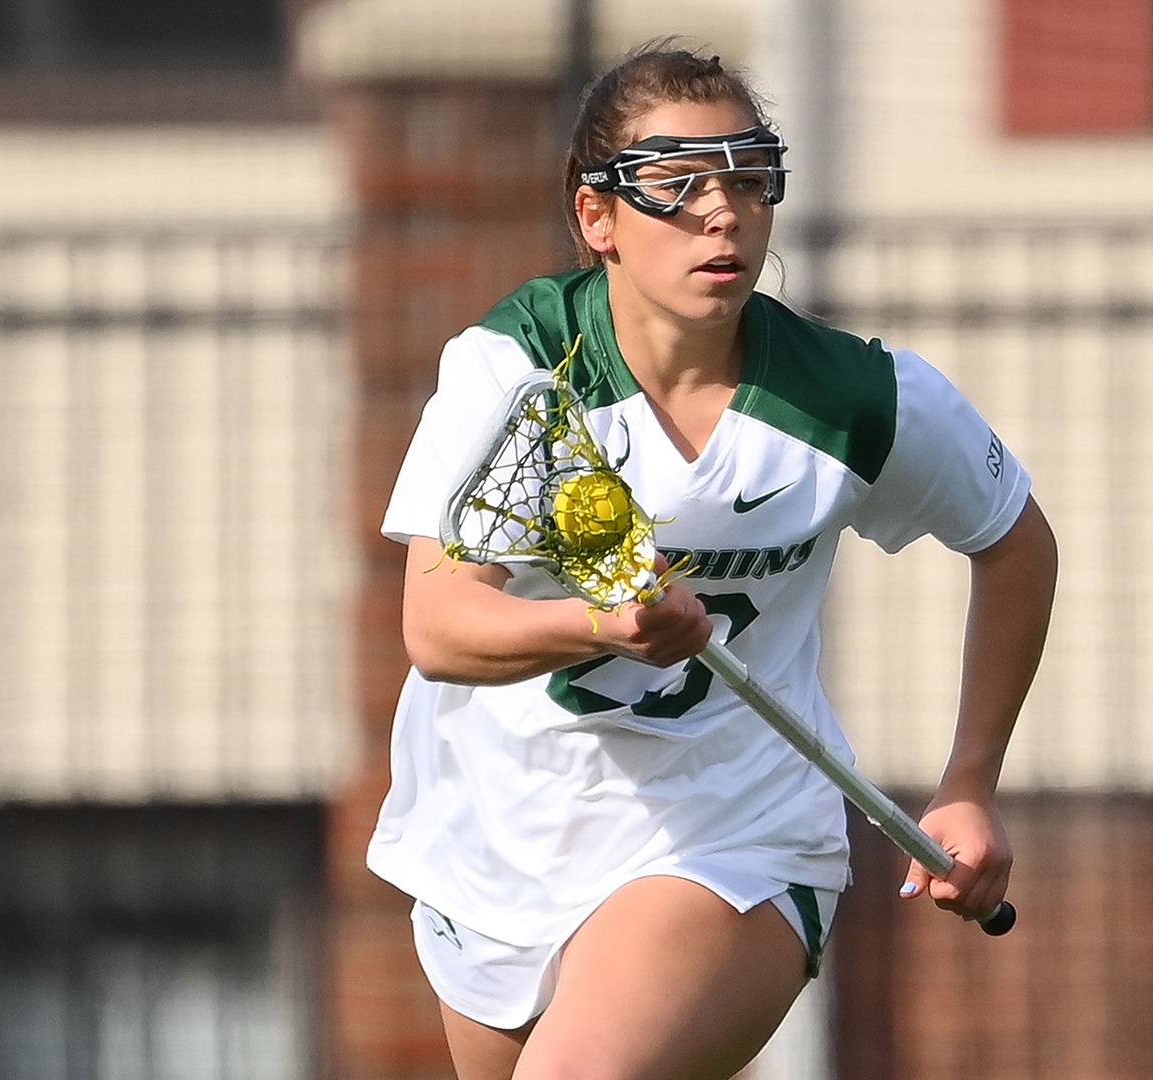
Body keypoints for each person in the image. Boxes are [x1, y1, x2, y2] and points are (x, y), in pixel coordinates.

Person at [369, 41, 1058, 1080]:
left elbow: (1014, 540)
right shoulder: (514, 368)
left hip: (731, 835)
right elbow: (440, 627)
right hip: (497, 835)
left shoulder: (855, 398)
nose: (721, 212)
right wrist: (609, 626)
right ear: (594, 217)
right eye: (674, 186)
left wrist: (970, 781)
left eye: (746, 177)